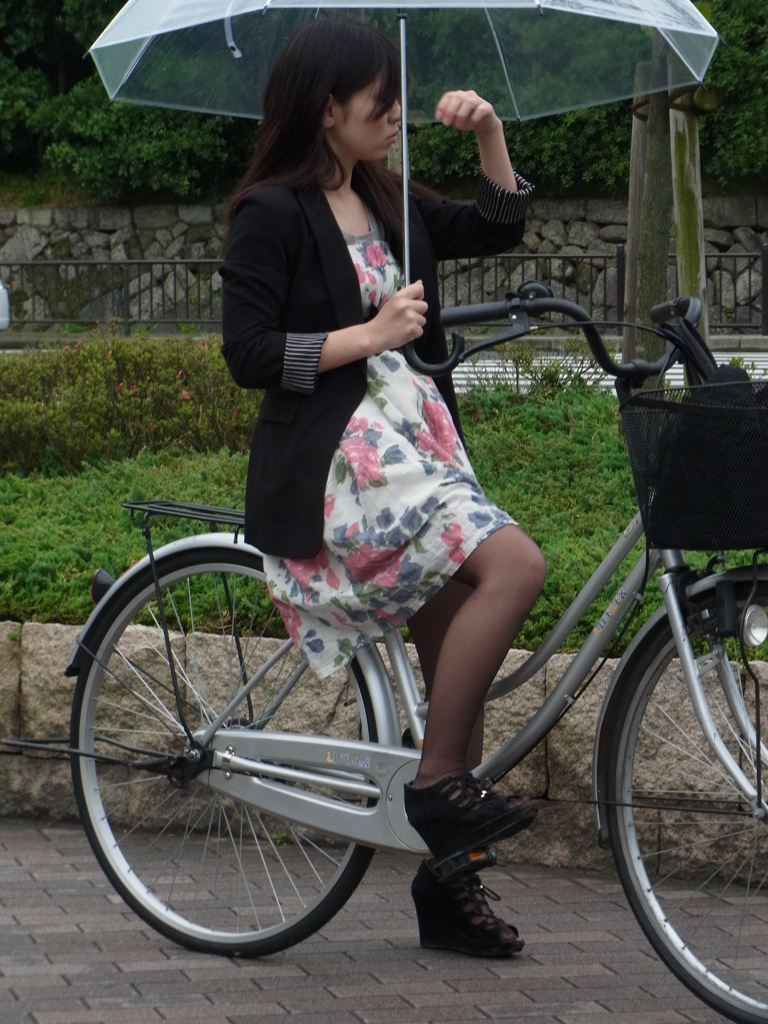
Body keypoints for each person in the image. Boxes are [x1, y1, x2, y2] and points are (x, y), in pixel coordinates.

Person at [220, 17, 547, 958]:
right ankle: (439, 789)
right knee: (516, 567)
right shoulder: (271, 214)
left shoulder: (387, 197)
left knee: (458, 665)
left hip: (415, 446)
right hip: (340, 464)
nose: (397, 112)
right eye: (379, 101)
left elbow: (497, 223)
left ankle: (448, 892)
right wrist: (369, 333)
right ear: (328, 110)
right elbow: (244, 353)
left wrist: (487, 132)